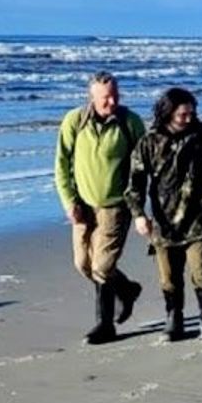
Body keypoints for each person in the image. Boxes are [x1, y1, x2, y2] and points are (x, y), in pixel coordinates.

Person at [126, 87, 202, 343]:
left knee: (201, 270)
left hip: (197, 217)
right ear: (168, 113)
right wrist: (138, 215)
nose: (189, 118)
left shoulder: (200, 132)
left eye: (192, 113)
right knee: (169, 276)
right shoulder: (149, 142)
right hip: (164, 223)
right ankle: (174, 318)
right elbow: (135, 182)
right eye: (183, 114)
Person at [53, 70, 146, 344]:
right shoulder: (74, 121)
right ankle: (127, 289)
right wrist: (69, 201)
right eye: (105, 97)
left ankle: (105, 325)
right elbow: (61, 164)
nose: (112, 101)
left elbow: (142, 166)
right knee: (83, 264)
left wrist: (138, 205)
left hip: (116, 206)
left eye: (115, 95)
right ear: (91, 97)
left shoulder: (130, 123)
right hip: (83, 206)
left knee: (102, 266)